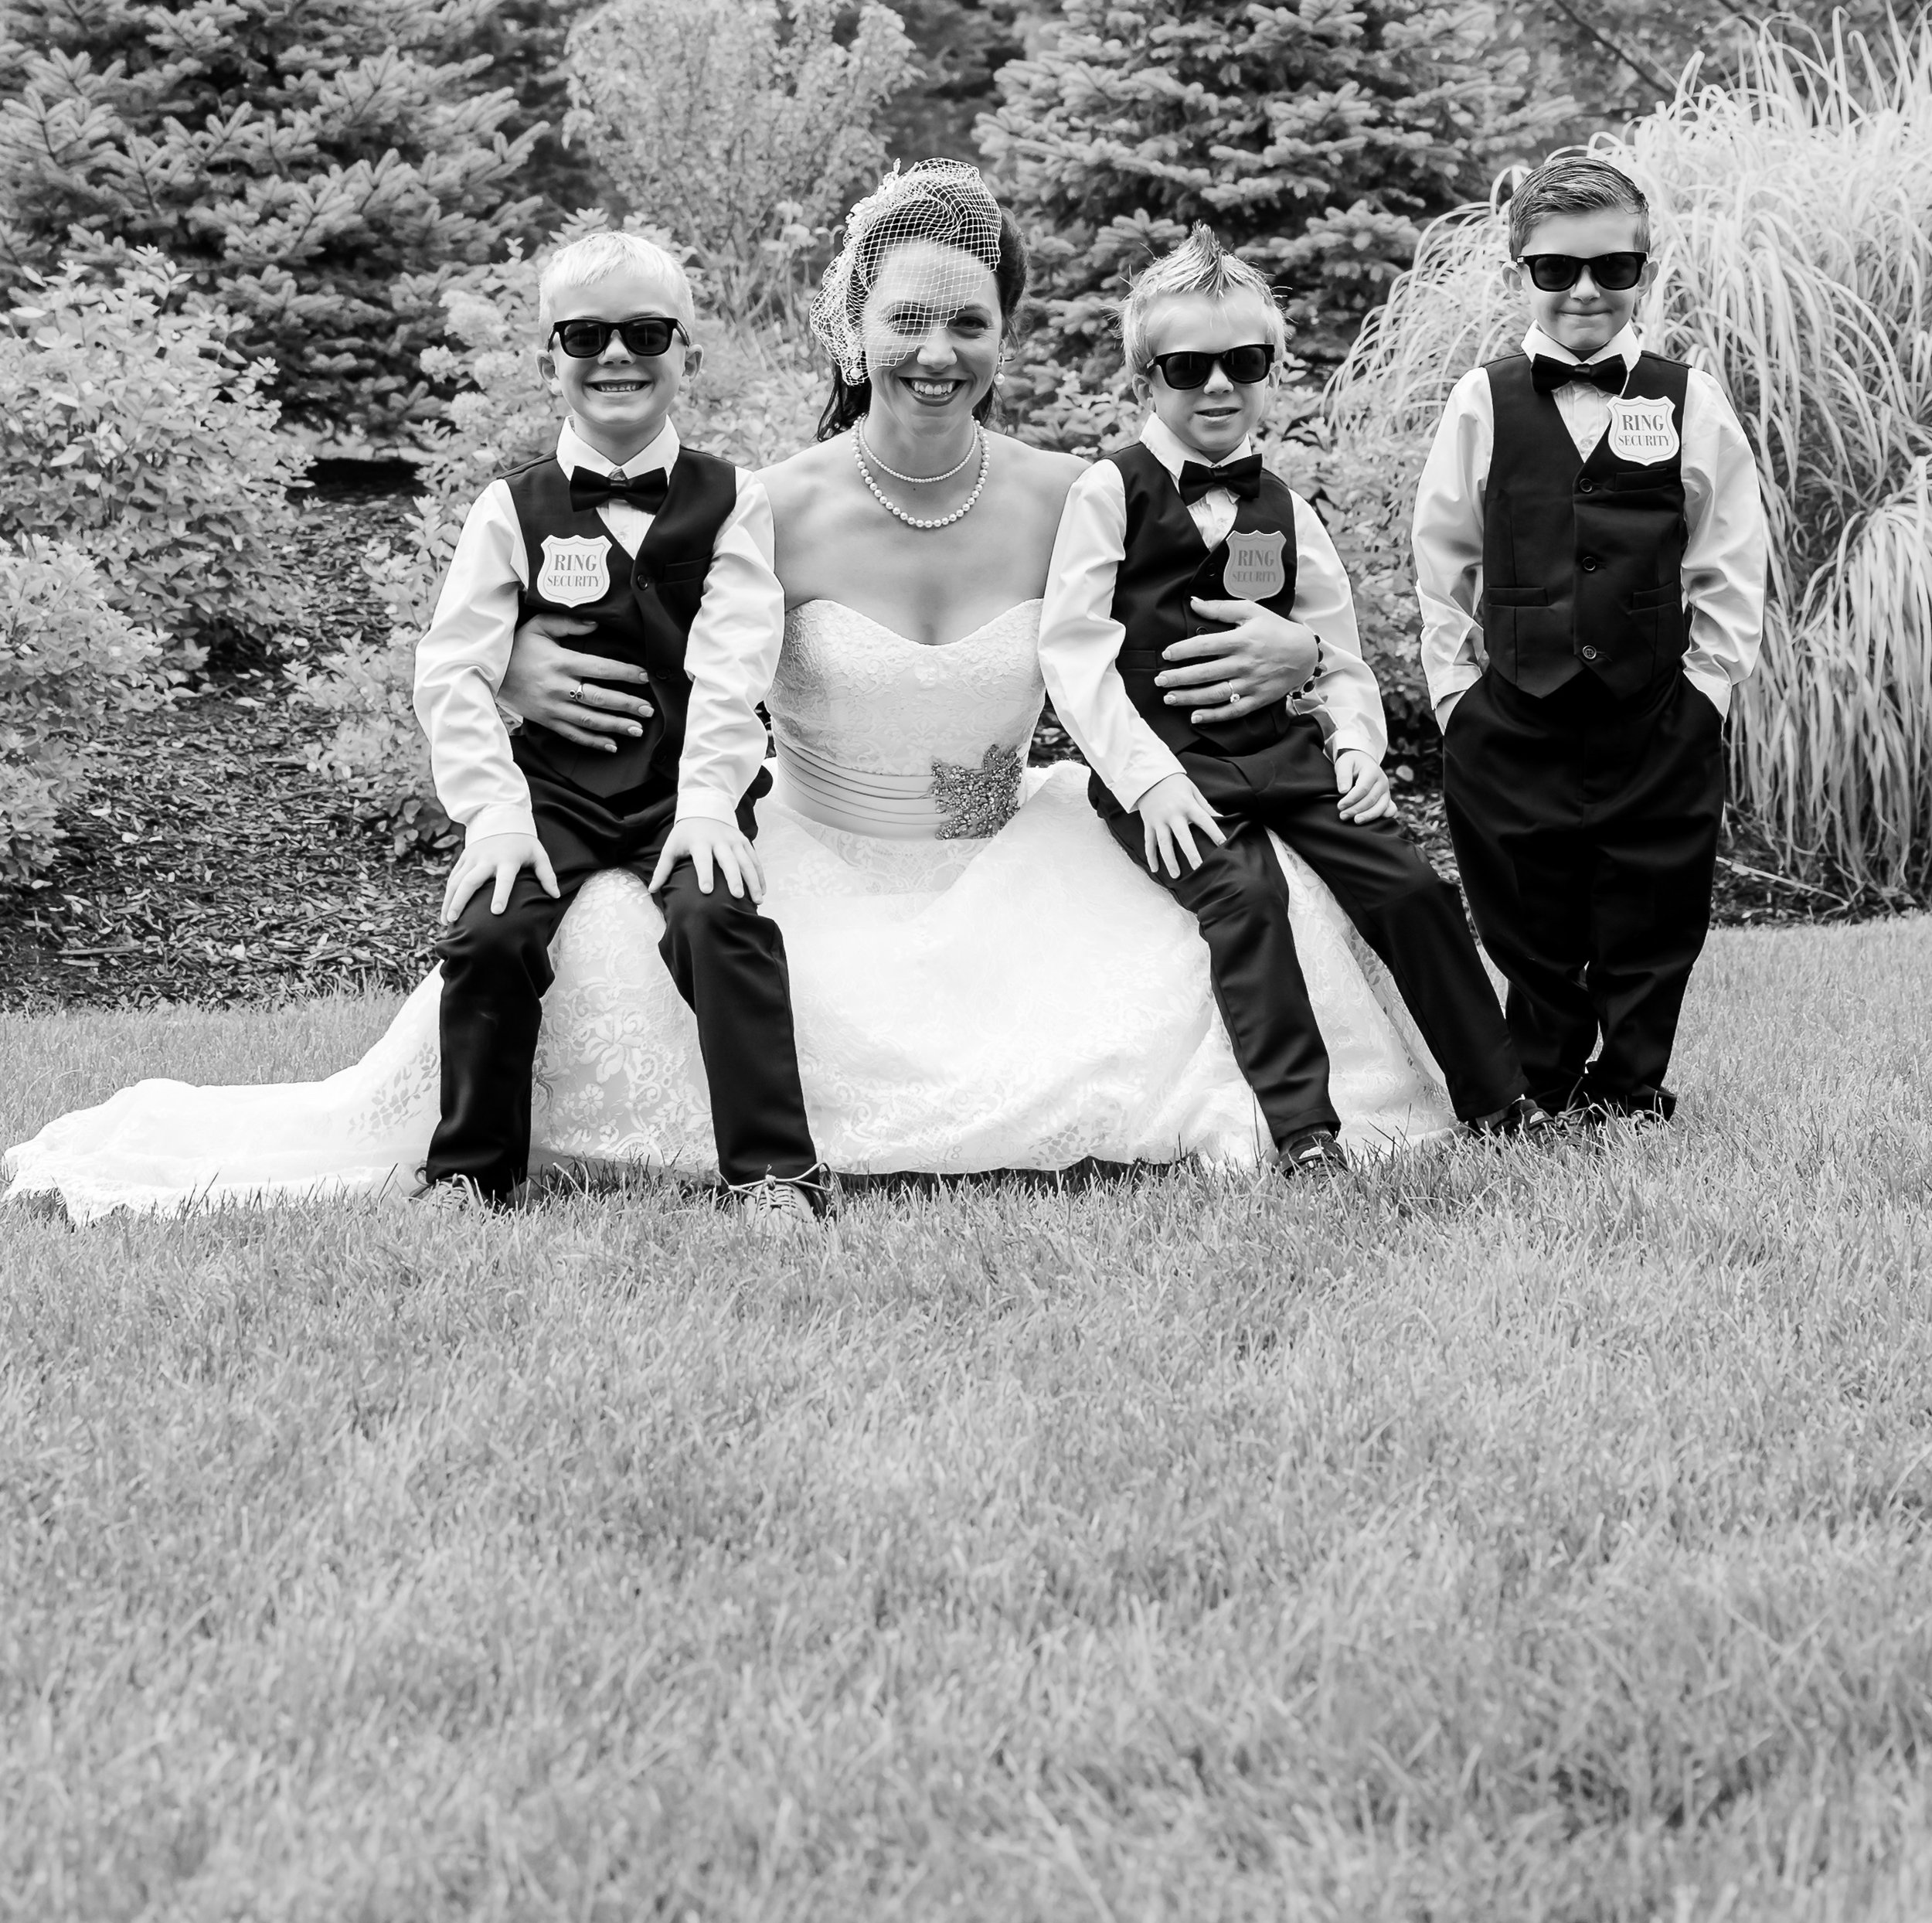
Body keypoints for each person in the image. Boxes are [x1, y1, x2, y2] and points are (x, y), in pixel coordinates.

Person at [3, 167, 1457, 1222]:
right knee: (625, 941)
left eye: (967, 322)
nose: (936, 352)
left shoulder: (1078, 494)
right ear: (852, 332)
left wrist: (1307, 663)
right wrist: (513, 663)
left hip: (1018, 850)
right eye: (906, 319)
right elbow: (677, 646)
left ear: (1005, 337)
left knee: (1252, 904)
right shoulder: (771, 503)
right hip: (820, 854)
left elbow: (1159, 638)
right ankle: (525, 1152)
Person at [1039, 226, 1543, 1179]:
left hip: (1286, 757)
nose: (1217, 386)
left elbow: (1336, 656)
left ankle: (1498, 1097)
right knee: (1245, 897)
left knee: (1411, 887)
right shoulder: (1108, 493)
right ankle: (1304, 1129)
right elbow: (1073, 654)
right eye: (1187, 367)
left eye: (1244, 362)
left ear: (1271, 371)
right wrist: (1147, 782)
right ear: (1145, 379)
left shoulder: (1287, 509)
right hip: (1171, 768)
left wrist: (1354, 748)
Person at [411, 229, 825, 1224]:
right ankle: (470, 1173)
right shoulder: (509, 509)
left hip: (684, 784)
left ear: (690, 354)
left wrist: (709, 805)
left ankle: (775, 1175)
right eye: (583, 335)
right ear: (545, 360)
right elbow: (452, 668)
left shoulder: (733, 500)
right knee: (490, 932)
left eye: (645, 332)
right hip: (551, 791)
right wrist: (496, 818)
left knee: (719, 921)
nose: (614, 355)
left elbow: (734, 667)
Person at [1410, 155, 1767, 1121]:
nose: (1583, 291)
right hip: (1511, 709)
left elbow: (1729, 560)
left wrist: (1705, 694)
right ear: (1519, 269)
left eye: (1613, 268)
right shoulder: (1482, 400)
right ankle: (1542, 1076)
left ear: (1642, 270)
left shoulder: (1688, 398)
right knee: (1523, 909)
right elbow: (1443, 560)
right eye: (1555, 268)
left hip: (1654, 712)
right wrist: (1456, 698)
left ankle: (1629, 1086)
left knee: (1655, 903)